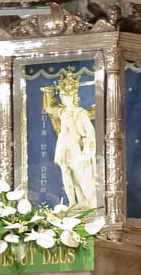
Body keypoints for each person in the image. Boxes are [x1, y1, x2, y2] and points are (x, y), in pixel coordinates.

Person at [40, 67, 98, 209]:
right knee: (66, 174)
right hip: (63, 143)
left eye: (68, 96)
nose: (65, 99)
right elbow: (49, 108)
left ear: (74, 97)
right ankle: (73, 202)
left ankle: (89, 201)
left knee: (81, 175)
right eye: (63, 96)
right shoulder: (62, 112)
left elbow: (90, 132)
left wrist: (88, 147)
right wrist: (48, 93)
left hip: (75, 145)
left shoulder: (81, 113)